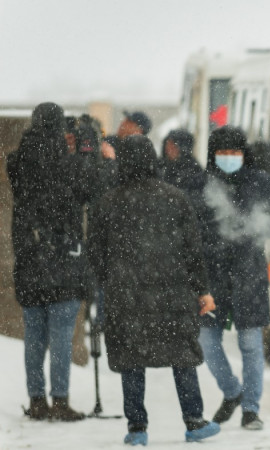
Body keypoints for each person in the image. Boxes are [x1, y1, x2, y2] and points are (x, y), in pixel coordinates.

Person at [88, 135, 220, 445]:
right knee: (182, 356)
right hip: (172, 293)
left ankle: (137, 429)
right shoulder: (175, 198)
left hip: (126, 295)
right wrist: (202, 289)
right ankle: (194, 420)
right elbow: (192, 249)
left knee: (131, 358)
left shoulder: (109, 202)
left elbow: (95, 252)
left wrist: (111, 280)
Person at [199, 125, 270, 430]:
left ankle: (251, 409)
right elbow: (193, 230)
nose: (230, 158)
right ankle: (232, 392)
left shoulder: (262, 183)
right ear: (213, 155)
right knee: (206, 342)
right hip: (213, 278)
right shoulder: (203, 186)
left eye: (235, 152)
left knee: (251, 345)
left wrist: (258, 229)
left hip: (249, 275)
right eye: (223, 153)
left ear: (244, 154)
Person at [6, 102, 87, 421]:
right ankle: (61, 401)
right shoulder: (68, 163)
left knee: (34, 337)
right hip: (63, 260)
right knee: (62, 338)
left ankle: (37, 400)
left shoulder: (18, 159)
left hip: (29, 260)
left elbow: (23, 173)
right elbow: (87, 187)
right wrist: (83, 146)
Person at [161, 128, 205, 214]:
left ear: (182, 148)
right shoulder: (162, 165)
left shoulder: (194, 171)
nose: (168, 148)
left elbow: (195, 201)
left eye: (173, 145)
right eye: (167, 143)